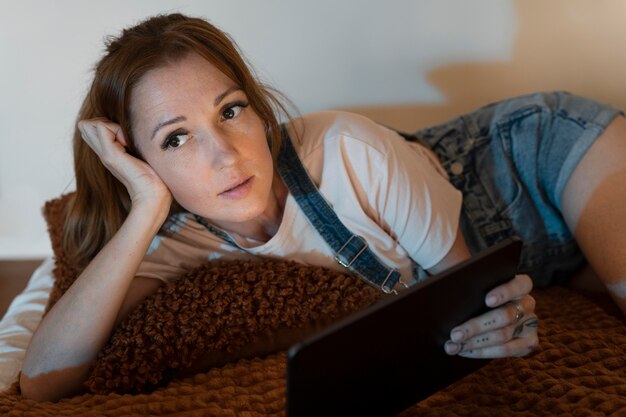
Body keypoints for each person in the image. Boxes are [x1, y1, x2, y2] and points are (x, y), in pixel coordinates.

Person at [19, 13, 626, 402]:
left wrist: (494, 325)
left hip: (536, 157)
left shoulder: (348, 149)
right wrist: (147, 203)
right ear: (141, 161)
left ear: (258, 109)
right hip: (544, 253)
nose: (226, 157)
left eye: (230, 111)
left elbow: (461, 291)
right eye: (175, 138)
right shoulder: (174, 238)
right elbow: (42, 382)